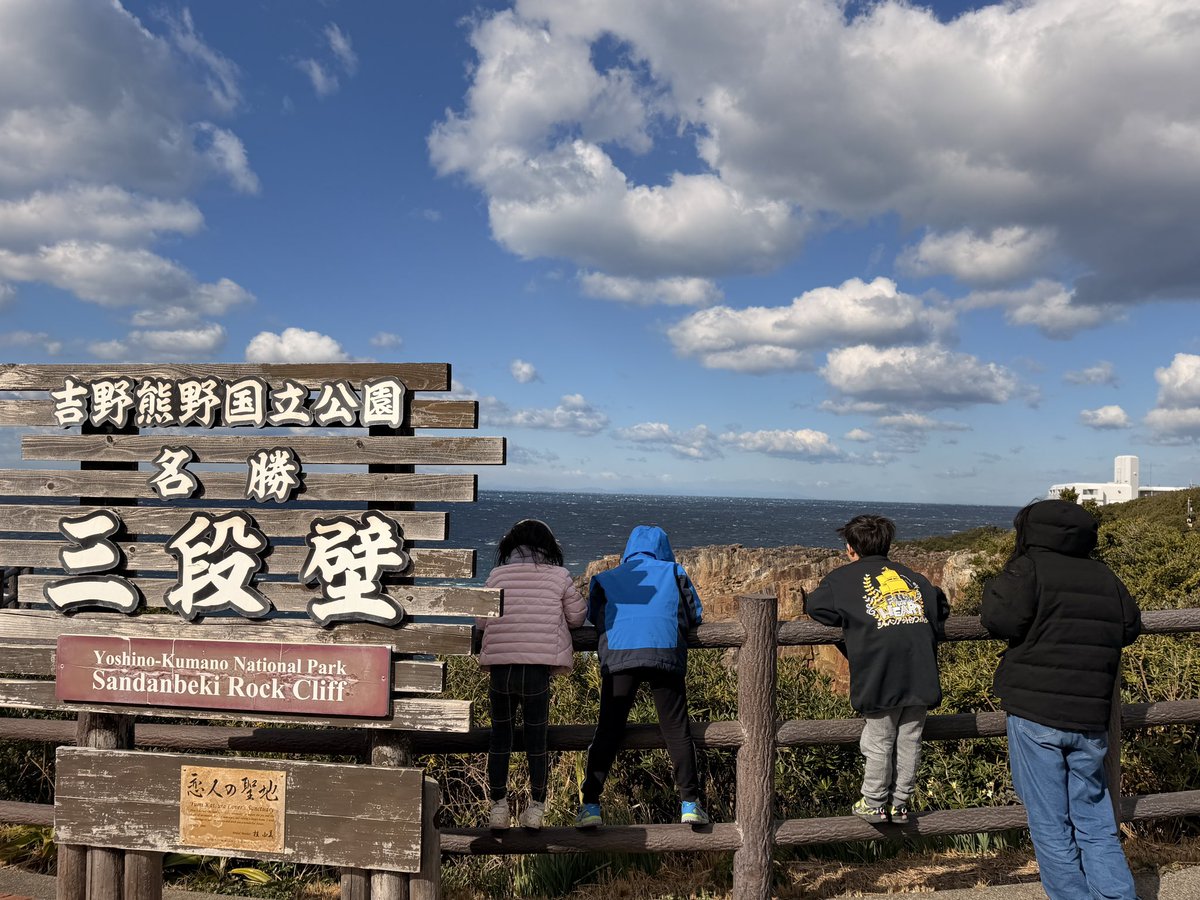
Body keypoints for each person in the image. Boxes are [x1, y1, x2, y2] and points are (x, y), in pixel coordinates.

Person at [981, 500, 1141, 900]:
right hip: (1090, 717)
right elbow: (1130, 627)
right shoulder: (1104, 575)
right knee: (1095, 819)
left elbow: (999, 619)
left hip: (1037, 718)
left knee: (1051, 826)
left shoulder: (1029, 568)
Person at [805, 514, 949, 825]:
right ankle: (900, 804)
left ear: (850, 548)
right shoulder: (913, 577)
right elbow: (940, 605)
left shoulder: (842, 580)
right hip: (921, 671)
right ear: (887, 544)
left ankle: (874, 802)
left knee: (879, 740)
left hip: (881, 673)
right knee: (910, 738)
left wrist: (852, 620)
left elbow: (815, 606)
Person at [576, 524, 709, 828]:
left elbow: (594, 618)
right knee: (676, 729)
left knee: (608, 729)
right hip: (664, 651)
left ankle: (591, 805)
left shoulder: (605, 578)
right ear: (663, 548)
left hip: (620, 655)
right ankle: (690, 803)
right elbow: (695, 614)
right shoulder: (674, 573)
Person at [477, 519, 587, 830]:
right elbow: (578, 618)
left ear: (510, 546)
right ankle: (536, 808)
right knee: (537, 740)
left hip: (501, 669)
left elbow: (481, 621)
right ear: (548, 547)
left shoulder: (497, 575)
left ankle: (498, 807)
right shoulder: (559, 576)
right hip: (537, 670)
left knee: (500, 738)